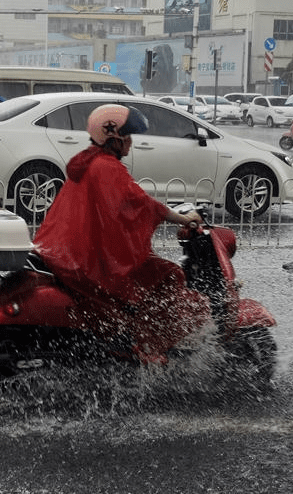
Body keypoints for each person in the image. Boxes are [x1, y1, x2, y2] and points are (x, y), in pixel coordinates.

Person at [33, 104, 209, 361]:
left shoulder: (86, 161)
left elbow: (120, 208)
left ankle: (126, 336)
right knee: (170, 275)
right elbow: (141, 204)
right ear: (112, 137)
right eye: (127, 136)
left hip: (64, 249)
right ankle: (147, 345)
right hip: (87, 258)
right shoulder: (107, 167)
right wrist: (183, 218)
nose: (130, 142)